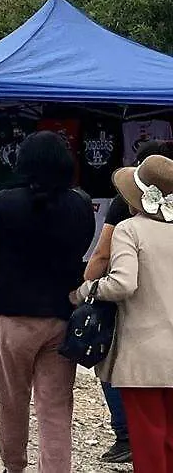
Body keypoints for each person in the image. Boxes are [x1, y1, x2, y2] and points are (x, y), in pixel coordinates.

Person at [0, 131, 95, 473]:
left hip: (10, 313)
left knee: (12, 400)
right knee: (56, 407)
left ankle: (14, 465)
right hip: (61, 315)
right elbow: (83, 249)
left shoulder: (4, 202)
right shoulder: (80, 205)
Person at [76, 154, 173, 473]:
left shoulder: (130, 230)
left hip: (143, 354)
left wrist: (87, 290)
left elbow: (123, 284)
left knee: (147, 438)